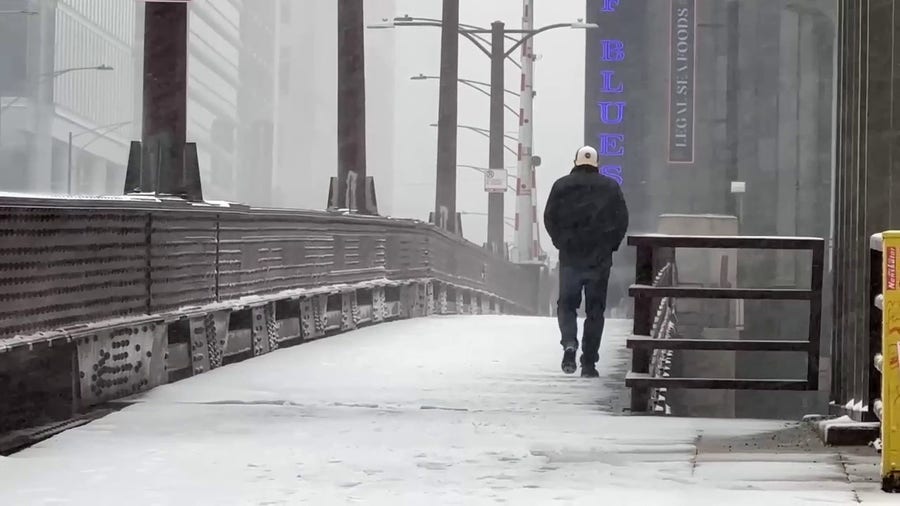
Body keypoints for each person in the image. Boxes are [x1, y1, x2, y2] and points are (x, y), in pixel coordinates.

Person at [543, 146, 629, 377]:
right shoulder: (610, 187)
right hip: (599, 260)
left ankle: (569, 342)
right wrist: (611, 244)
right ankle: (589, 362)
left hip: (571, 256)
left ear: (575, 162)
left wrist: (560, 241)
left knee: (567, 304)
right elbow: (622, 220)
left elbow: (549, 217)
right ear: (596, 163)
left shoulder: (561, 186)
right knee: (595, 311)